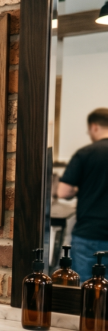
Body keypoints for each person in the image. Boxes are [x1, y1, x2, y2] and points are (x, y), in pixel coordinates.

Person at [57, 108, 108, 281]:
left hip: (89, 234)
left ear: (94, 127)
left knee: (86, 291)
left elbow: (63, 192)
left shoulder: (85, 153)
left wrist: (82, 188)